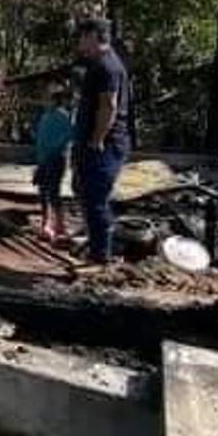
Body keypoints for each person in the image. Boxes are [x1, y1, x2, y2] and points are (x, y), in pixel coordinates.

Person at [73, 18, 130, 263]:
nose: (79, 42)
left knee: (95, 199)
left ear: (94, 36)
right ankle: (96, 242)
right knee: (83, 191)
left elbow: (109, 106)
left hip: (105, 146)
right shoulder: (98, 64)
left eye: (82, 37)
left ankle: (100, 256)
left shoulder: (108, 66)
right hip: (92, 143)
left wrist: (97, 140)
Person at [34, 84, 74, 240]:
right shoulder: (45, 117)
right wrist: (40, 160)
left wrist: (53, 151)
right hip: (43, 159)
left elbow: (68, 137)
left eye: (48, 99)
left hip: (56, 159)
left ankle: (60, 225)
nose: (45, 101)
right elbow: (40, 139)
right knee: (42, 190)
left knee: (53, 192)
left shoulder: (63, 116)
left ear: (55, 100)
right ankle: (45, 222)